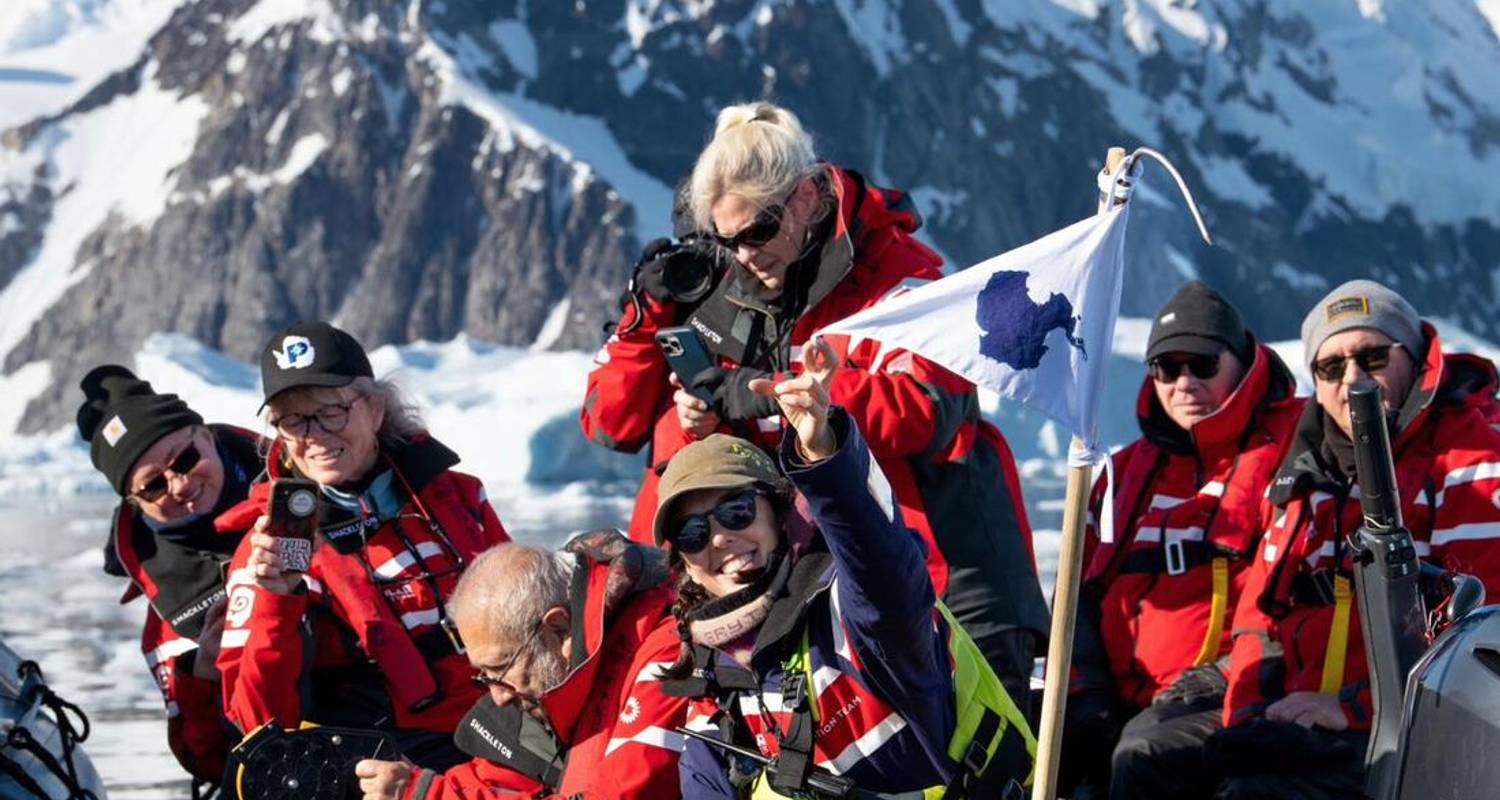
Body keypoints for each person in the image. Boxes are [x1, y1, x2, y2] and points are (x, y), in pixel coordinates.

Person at [583, 101, 1048, 704]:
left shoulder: (893, 273)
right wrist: (651, 329)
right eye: (728, 240)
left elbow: (932, 408)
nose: (746, 253)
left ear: (806, 197)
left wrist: (767, 396)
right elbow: (609, 421)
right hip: (794, 590)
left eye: (758, 231)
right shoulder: (729, 282)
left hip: (939, 571)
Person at [661, 340, 1034, 798]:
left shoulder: (851, 614)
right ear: (684, 564)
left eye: (737, 512)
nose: (719, 537)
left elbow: (884, 562)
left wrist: (826, 460)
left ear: (779, 515)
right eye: (693, 535)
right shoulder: (714, 687)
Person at [1218, 279, 1500, 798]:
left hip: (1417, 733)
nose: (1351, 378)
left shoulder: (1474, 466)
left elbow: (1479, 640)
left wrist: (1350, 708)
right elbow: (1258, 618)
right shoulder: (1303, 475)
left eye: (1371, 357)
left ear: (1414, 361)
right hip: (1304, 718)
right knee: (1162, 761)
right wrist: (1248, 719)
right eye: (1330, 366)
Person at [216, 322, 511, 770]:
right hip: (387, 762)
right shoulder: (268, 550)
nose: (313, 436)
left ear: (375, 409)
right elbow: (258, 725)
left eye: (331, 411)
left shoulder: (461, 498)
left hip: (504, 724)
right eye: (293, 419)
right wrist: (278, 601)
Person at [1060, 282, 1304, 799]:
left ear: (1243, 362)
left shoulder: (1293, 453)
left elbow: (1298, 589)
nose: (1184, 382)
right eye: (1167, 369)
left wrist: (1222, 675)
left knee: (1144, 755)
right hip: (1126, 699)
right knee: (1029, 747)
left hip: (1235, 691)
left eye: (1203, 364)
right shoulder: (1124, 474)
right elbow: (1077, 593)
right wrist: (1086, 692)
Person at [353, 530, 691, 799]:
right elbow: (503, 776)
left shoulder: (664, 653)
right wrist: (419, 786)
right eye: (484, 675)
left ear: (557, 628)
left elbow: (626, 793)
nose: (498, 696)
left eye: (501, 668)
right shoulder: (556, 671)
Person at [75, 365, 263, 787]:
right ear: (134, 503)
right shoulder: (167, 614)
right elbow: (208, 761)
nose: (179, 485)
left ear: (206, 435)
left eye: (186, 459)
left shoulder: (319, 480)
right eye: (153, 485)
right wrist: (203, 674)